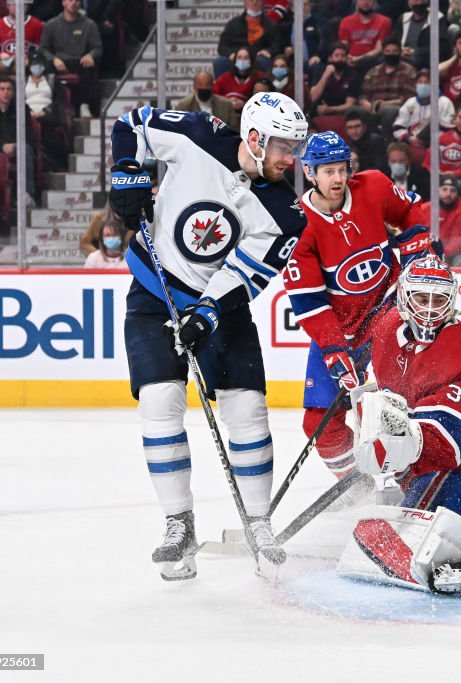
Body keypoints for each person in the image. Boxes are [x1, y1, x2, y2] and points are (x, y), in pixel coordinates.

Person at [109, 91, 309, 580]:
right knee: (158, 401)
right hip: (154, 294)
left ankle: (259, 522)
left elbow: (245, 274)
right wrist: (127, 169)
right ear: (256, 138)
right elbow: (130, 122)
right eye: (285, 146)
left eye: (296, 149)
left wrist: (206, 313)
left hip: (222, 310)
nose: (292, 159)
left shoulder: (287, 214)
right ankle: (179, 523)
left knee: (246, 407)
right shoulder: (196, 134)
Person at [337, 256, 461, 593]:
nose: (430, 309)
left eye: (439, 300)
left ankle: (459, 546)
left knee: (382, 538)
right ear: (405, 297)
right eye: (422, 298)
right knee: (391, 523)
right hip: (439, 470)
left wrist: (394, 443)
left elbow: (451, 446)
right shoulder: (387, 327)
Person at [283, 131, 431, 482]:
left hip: (389, 308)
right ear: (309, 172)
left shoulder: (374, 186)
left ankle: (416, 475)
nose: (337, 178)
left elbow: (409, 211)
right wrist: (335, 351)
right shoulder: (295, 226)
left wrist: (417, 249)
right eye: (328, 171)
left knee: (397, 402)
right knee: (319, 420)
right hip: (341, 328)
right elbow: (309, 301)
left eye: (341, 169)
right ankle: (357, 486)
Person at [39, 0, 101, 117]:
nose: (74, 3)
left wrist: (91, 55)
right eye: (70, 0)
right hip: (59, 61)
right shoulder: (52, 24)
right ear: (63, 2)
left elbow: (97, 48)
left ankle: (84, 105)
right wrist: (53, 59)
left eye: (77, 1)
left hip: (79, 60)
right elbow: (43, 48)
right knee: (46, 66)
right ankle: (53, 105)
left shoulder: (89, 24)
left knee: (88, 65)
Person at [359, 38, 417, 136]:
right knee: (356, 111)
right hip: (372, 108)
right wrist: (364, 102)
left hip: (397, 108)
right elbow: (364, 94)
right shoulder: (373, 71)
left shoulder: (409, 71)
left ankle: (387, 143)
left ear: (400, 52)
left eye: (394, 51)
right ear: (383, 52)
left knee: (389, 110)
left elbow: (409, 99)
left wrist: (385, 104)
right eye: (388, 51)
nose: (391, 54)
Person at [216, 0, 281, 76]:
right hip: (237, 56)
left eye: (258, 1)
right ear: (245, 3)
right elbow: (222, 46)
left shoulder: (271, 25)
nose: (254, 2)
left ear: (263, 3)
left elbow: (277, 46)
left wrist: (268, 51)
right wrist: (230, 54)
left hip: (258, 56)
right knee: (220, 62)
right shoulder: (233, 24)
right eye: (251, 0)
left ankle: (264, 86)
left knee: (263, 61)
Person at [392, 68, 455, 145]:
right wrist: (410, 138)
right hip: (412, 142)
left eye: (426, 82)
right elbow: (398, 127)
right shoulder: (410, 103)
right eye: (420, 82)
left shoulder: (445, 102)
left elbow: (448, 129)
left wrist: (428, 141)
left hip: (436, 144)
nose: (423, 85)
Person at [421, 174, 461, 260]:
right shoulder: (424, 209)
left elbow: (456, 246)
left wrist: (434, 255)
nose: (448, 194)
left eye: (452, 190)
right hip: (423, 255)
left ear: (457, 193)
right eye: (444, 189)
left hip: (449, 259)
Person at [338, 0, 392, 73]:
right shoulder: (346, 21)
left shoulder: (385, 21)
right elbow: (343, 46)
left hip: (372, 62)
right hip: (350, 61)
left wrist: (359, 59)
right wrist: (349, 58)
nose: (365, 2)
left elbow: (379, 48)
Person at [308, 42, 361, 116]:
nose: (340, 59)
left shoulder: (353, 75)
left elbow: (350, 105)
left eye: (343, 56)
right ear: (330, 58)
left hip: (343, 115)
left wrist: (329, 109)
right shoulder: (320, 71)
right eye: (336, 55)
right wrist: (326, 75)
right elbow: (313, 97)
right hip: (320, 114)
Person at [174, 71, 239, 130]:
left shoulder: (226, 105)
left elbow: (234, 130)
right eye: (201, 86)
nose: (204, 88)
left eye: (207, 86)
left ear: (212, 85)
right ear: (194, 86)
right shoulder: (183, 106)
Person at [0, 0, 44, 65]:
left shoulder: (37, 25)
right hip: (3, 65)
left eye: (23, 4)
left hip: (27, 65)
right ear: (8, 6)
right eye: (15, 4)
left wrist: (30, 57)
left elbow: (41, 49)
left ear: (27, 6)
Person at [213, 46, 259, 114]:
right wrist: (227, 101)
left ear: (251, 60)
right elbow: (214, 96)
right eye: (239, 58)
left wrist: (245, 104)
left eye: (246, 58)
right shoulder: (225, 77)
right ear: (235, 60)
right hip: (226, 113)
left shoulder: (258, 77)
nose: (242, 60)